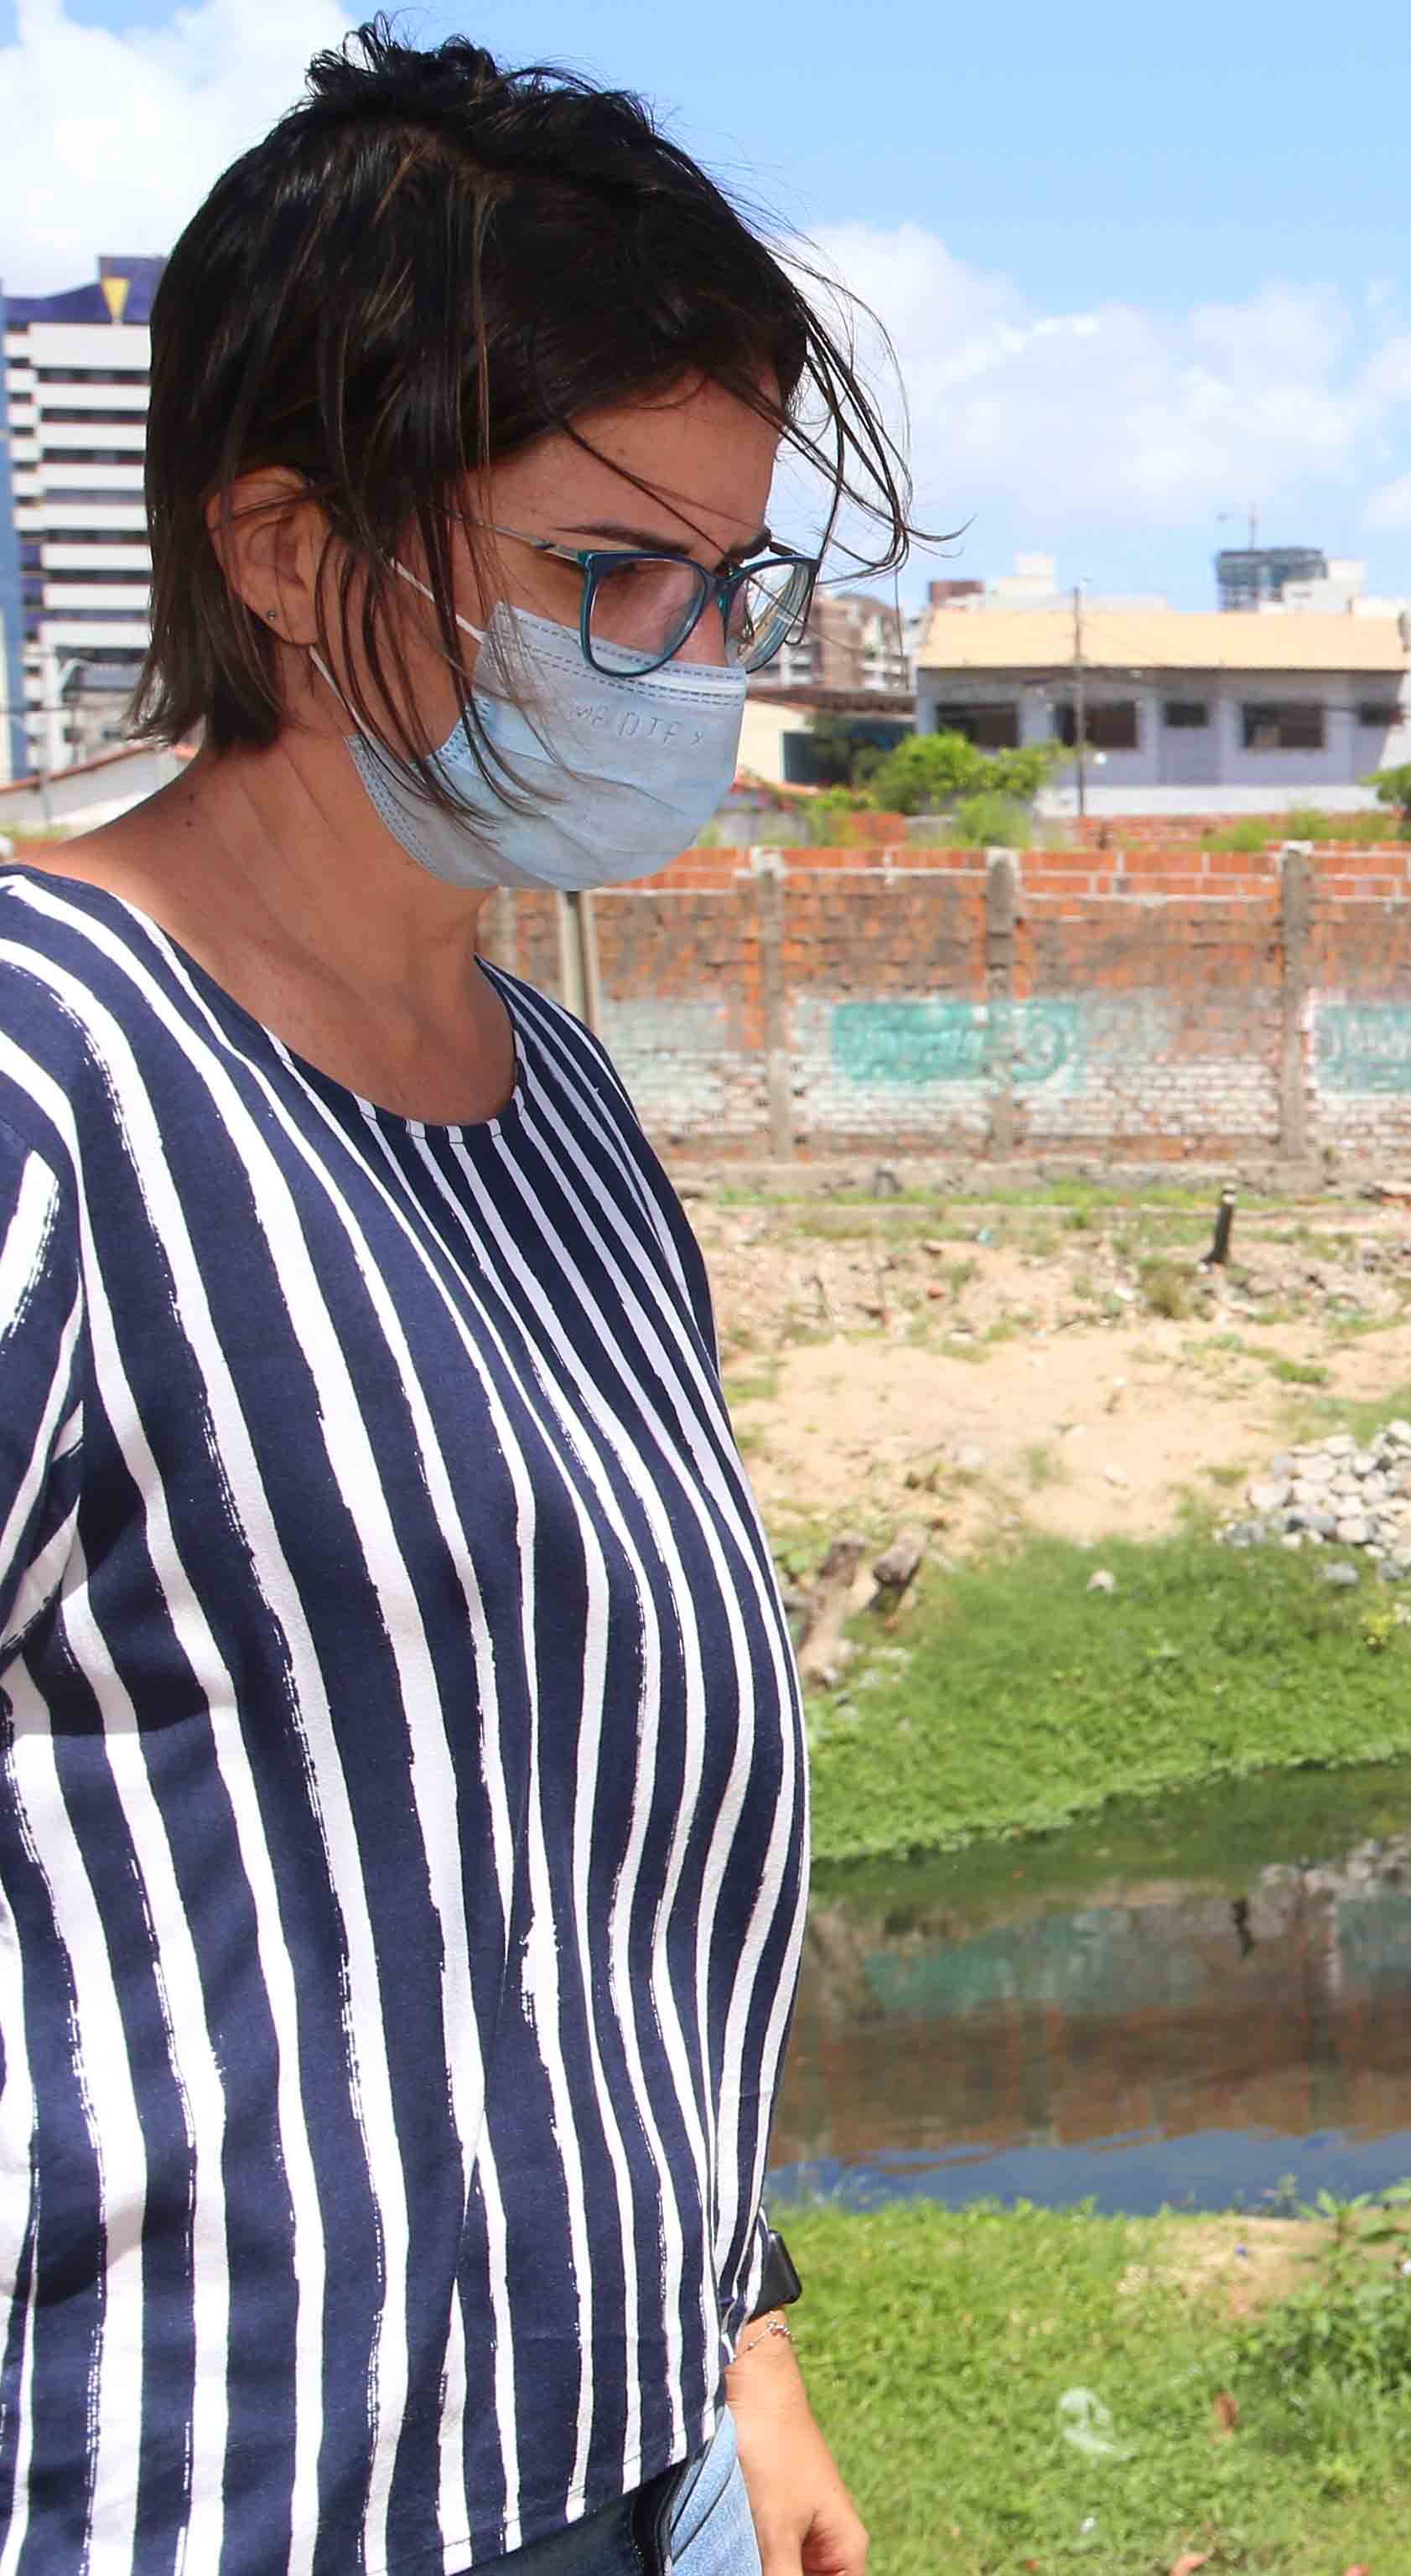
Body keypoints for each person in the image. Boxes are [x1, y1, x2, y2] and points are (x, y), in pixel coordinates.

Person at [0, 31, 905, 2573]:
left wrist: (736, 2348)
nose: (691, 652)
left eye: (727, 584)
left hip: (637, 2462)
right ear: (288, 550)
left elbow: (575, 1834)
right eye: (609, 572)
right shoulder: (48, 1078)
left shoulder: (562, 1111)